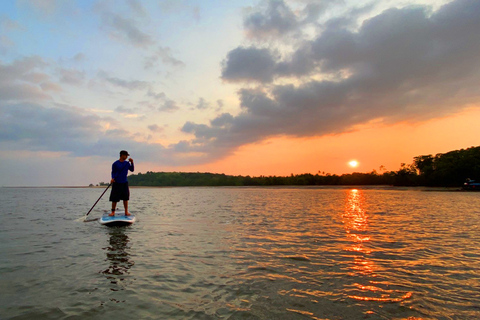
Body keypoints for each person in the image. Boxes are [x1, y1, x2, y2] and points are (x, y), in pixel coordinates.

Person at [109, 150, 134, 216]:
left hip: (124, 182)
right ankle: (113, 212)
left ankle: (126, 211)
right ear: (122, 155)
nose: (126, 157)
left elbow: (132, 169)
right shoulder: (115, 163)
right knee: (114, 198)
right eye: (126, 155)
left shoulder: (127, 163)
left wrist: (132, 162)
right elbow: (113, 172)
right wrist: (112, 178)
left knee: (125, 198)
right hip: (117, 182)